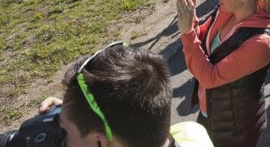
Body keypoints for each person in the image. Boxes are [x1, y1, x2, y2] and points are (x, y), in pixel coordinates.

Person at [176, 0, 270, 147]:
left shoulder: (261, 43)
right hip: (212, 113)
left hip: (235, 130)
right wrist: (190, 18)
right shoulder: (227, 11)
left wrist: (187, 33)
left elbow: (210, 77)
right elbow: (201, 39)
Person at [38, 43, 212, 147]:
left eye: (65, 130)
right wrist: (78, 115)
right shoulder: (192, 132)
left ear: (99, 142)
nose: (61, 134)